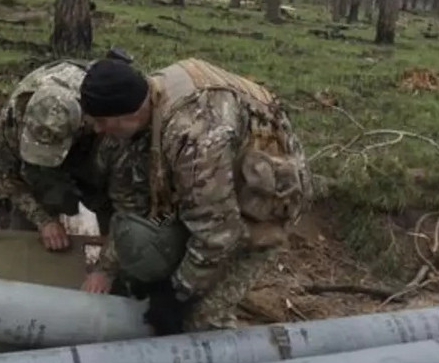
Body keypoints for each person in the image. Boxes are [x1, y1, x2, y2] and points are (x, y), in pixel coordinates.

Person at [77, 58, 311, 336]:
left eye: (102, 121)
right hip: (210, 192)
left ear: (129, 113)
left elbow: (218, 235)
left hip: (262, 203)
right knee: (144, 242)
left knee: (199, 320)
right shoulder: (145, 109)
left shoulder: (194, 136)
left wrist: (176, 294)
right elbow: (134, 207)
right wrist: (108, 268)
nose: (97, 129)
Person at [0, 56, 133, 253]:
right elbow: (8, 177)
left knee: (119, 232)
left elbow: (125, 195)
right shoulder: (10, 122)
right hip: (37, 175)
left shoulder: (104, 120)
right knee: (25, 236)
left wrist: (113, 253)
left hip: (91, 157)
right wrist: (43, 220)